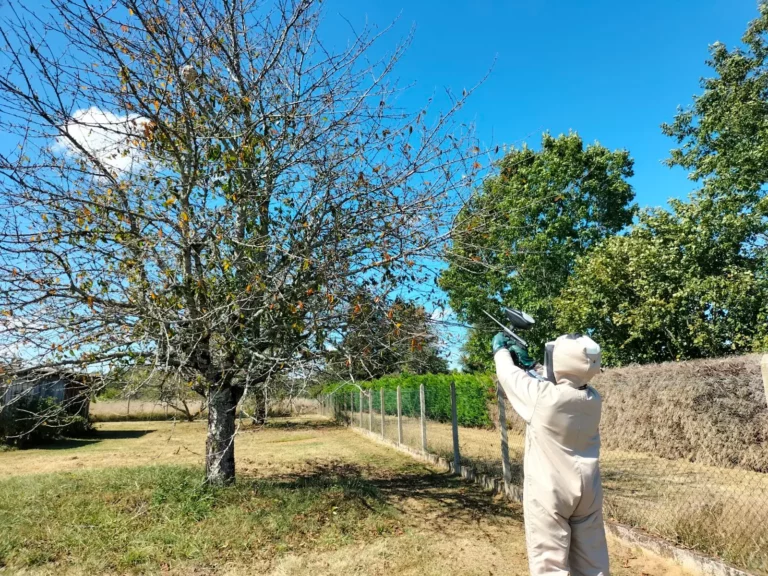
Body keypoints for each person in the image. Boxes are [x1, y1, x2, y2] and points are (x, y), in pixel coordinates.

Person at [492, 332, 609, 576]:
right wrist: (532, 366)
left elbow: (509, 376)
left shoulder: (542, 398)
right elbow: (564, 380)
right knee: (592, 562)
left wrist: (501, 351)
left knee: (550, 565)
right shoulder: (592, 398)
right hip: (588, 489)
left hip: (551, 491)